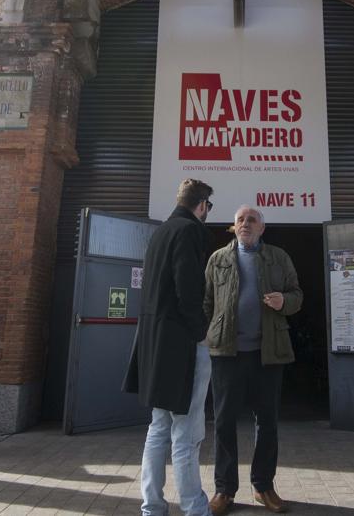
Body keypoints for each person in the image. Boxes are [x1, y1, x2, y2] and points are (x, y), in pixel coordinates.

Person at [123, 179, 215, 516]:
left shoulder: (161, 232)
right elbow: (188, 289)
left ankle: (152, 507)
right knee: (187, 431)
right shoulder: (190, 231)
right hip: (182, 344)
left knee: (158, 426)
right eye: (208, 208)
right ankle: (194, 508)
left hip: (155, 341)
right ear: (202, 204)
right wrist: (202, 332)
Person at [203, 206, 302, 515]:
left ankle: (263, 486)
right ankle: (224, 490)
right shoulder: (218, 259)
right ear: (234, 227)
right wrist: (213, 330)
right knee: (224, 422)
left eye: (252, 220)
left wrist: (284, 301)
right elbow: (206, 301)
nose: (245, 224)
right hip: (227, 354)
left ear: (263, 228)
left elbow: (297, 294)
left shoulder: (278, 257)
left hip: (268, 354)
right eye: (240, 220)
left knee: (268, 422)